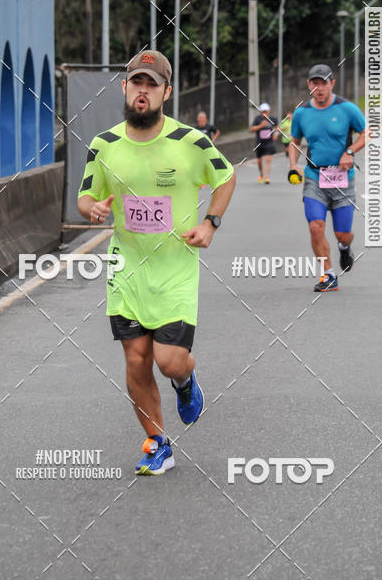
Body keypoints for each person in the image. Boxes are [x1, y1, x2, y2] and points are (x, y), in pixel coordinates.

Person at [78, 50, 236, 476]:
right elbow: (85, 196)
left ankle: (185, 381)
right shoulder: (104, 145)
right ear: (125, 88)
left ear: (167, 91)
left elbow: (225, 178)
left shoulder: (191, 142)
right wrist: (92, 209)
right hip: (126, 267)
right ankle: (157, 442)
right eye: (136, 82)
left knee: (168, 360)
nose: (142, 91)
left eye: (152, 84)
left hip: (175, 268)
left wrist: (210, 223)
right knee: (135, 359)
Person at [288, 64, 366, 292]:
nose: (319, 88)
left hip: (342, 177)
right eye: (314, 83)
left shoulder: (347, 109)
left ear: (332, 83)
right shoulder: (302, 113)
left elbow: (365, 133)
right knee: (315, 227)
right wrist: (293, 164)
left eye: (323, 83)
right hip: (314, 177)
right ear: (308, 85)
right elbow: (294, 141)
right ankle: (328, 275)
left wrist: (350, 152)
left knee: (343, 233)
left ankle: (344, 247)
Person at [249, 102, 278, 184]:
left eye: (266, 111)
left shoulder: (273, 118)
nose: (264, 113)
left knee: (268, 159)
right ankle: (261, 174)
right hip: (259, 142)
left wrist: (276, 133)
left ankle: (267, 177)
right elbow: (251, 130)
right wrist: (260, 126)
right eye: (263, 111)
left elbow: (276, 126)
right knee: (259, 161)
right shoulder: (257, 119)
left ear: (269, 111)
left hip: (269, 142)